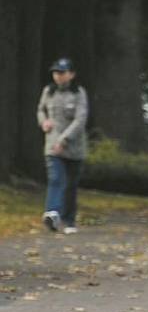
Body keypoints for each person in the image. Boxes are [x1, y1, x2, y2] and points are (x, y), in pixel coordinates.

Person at [37, 58, 89, 234]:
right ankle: (52, 213)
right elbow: (40, 110)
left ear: (71, 74)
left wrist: (64, 140)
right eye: (55, 72)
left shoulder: (79, 93)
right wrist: (43, 122)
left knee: (71, 185)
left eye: (62, 72)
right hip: (52, 146)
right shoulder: (48, 91)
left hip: (74, 148)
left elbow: (80, 119)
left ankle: (69, 220)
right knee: (56, 179)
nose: (58, 76)